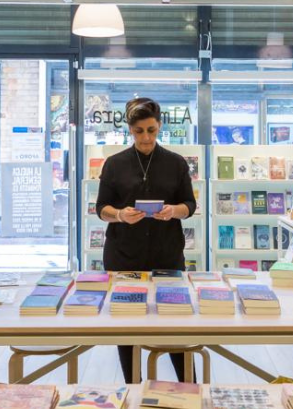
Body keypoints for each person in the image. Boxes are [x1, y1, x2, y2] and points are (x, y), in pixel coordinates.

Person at [95, 97, 197, 383]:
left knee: (175, 322)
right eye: (139, 131)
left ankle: (189, 387)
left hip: (167, 254)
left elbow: (190, 205)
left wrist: (174, 211)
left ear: (160, 126)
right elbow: (101, 208)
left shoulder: (176, 163)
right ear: (130, 129)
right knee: (127, 326)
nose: (146, 137)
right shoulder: (114, 164)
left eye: (151, 130)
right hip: (124, 255)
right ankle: (132, 387)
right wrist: (119, 214)